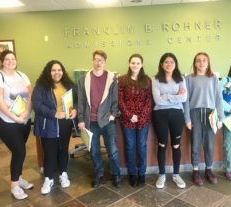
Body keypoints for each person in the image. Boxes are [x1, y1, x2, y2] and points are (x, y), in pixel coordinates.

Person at [0, 50, 33, 200]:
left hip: (23, 119)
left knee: (19, 150)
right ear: (2, 61)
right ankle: (14, 185)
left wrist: (26, 113)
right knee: (19, 151)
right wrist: (15, 117)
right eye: (7, 59)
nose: (11, 61)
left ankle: (18, 178)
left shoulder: (22, 75)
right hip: (5, 120)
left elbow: (31, 94)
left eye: (13, 59)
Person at [32, 60, 78, 194]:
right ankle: (48, 178)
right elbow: (37, 105)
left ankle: (63, 174)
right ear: (48, 71)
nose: (57, 72)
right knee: (49, 152)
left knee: (63, 149)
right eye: (53, 70)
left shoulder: (69, 85)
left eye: (59, 70)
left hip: (65, 122)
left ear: (63, 71)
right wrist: (54, 113)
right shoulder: (41, 86)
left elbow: (76, 101)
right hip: (49, 123)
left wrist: (74, 110)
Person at [77, 50, 121, 188]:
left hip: (107, 121)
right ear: (92, 60)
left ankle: (116, 174)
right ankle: (98, 174)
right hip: (91, 121)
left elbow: (115, 99)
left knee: (112, 150)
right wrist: (81, 119)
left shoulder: (112, 78)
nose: (98, 62)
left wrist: (113, 114)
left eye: (101, 60)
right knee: (94, 151)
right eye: (96, 59)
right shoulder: (83, 79)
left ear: (105, 62)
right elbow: (81, 102)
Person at [184, 52, 224, 186]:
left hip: (210, 114)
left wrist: (221, 118)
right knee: (195, 143)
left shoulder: (213, 78)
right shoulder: (189, 78)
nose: (201, 63)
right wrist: (187, 119)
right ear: (195, 63)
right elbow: (186, 100)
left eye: (204, 60)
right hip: (195, 113)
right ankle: (195, 171)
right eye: (198, 61)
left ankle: (208, 169)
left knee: (209, 144)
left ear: (208, 63)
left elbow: (219, 99)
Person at [152, 52, 187, 189]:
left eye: (172, 62)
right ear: (161, 64)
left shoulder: (181, 79)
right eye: (166, 62)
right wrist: (174, 95)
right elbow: (157, 100)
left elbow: (184, 99)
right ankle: (161, 175)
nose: (169, 64)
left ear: (175, 64)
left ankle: (176, 174)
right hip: (160, 114)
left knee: (176, 145)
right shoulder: (155, 79)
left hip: (177, 114)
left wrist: (165, 95)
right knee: (162, 145)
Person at [118, 54, 153, 187]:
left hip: (143, 120)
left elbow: (150, 100)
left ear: (142, 65)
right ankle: (132, 173)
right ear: (129, 63)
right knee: (130, 146)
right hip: (127, 120)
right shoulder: (122, 80)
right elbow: (120, 100)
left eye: (138, 63)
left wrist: (141, 116)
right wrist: (129, 115)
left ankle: (142, 172)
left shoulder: (147, 80)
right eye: (133, 63)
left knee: (142, 146)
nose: (135, 65)